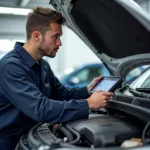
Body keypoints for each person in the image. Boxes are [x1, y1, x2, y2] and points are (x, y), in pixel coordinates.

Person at [0, 7, 113, 149]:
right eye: (55, 36)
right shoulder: (10, 67)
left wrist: (88, 90)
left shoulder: (43, 66)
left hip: (33, 137)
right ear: (36, 36)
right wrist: (88, 104)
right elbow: (40, 109)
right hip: (9, 144)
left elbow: (61, 93)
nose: (59, 43)